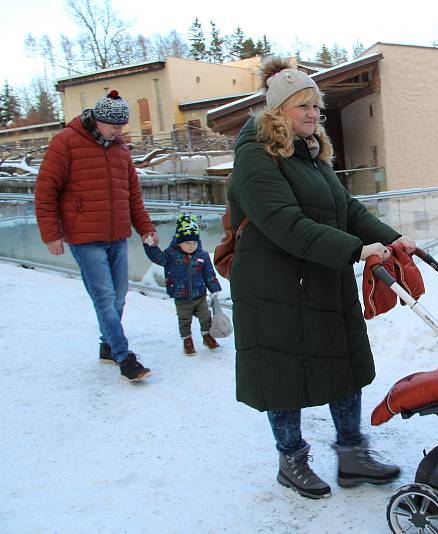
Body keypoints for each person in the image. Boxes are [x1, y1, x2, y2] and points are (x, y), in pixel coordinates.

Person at [228, 58, 416, 499]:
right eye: (302, 106)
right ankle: (291, 460)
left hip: (320, 276)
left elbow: (347, 210)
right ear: (277, 112)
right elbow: (284, 222)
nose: (313, 114)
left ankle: (352, 455)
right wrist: (354, 249)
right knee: (283, 372)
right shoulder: (256, 156)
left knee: (341, 361)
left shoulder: (311, 155)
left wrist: (393, 238)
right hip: (274, 287)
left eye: (317, 106)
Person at [34, 90, 157, 383]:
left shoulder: (120, 148)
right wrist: (51, 235)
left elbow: (133, 196)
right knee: (104, 298)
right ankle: (125, 357)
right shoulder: (65, 142)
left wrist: (146, 229)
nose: (118, 130)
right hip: (84, 236)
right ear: (97, 120)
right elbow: (45, 190)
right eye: (113, 125)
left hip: (116, 234)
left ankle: (107, 345)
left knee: (119, 296)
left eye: (122, 126)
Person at [143, 213, 223, 356]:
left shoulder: (202, 256)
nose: (192, 246)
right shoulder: (171, 255)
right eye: (187, 243)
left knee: (206, 317)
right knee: (184, 320)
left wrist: (214, 289)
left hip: (199, 295)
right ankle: (187, 340)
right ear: (179, 242)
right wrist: (149, 245)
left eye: (194, 242)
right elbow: (157, 257)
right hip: (181, 297)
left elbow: (209, 274)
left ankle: (207, 336)